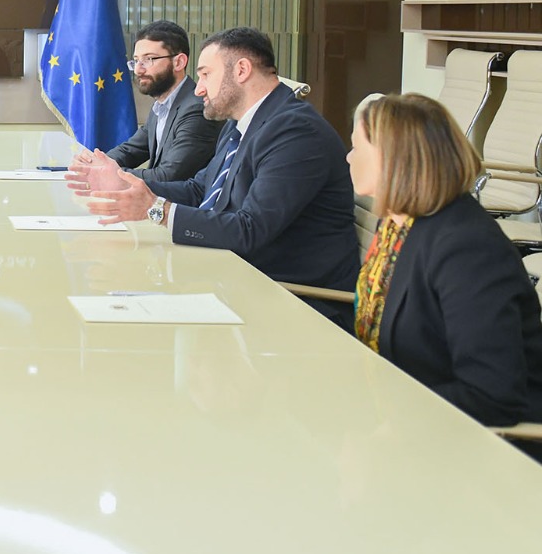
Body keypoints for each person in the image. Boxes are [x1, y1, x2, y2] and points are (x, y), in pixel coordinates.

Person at [74, 27, 358, 326]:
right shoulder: (241, 124)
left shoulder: (295, 132)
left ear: (242, 70)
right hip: (236, 278)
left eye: (206, 75)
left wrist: (156, 210)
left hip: (293, 301)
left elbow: (250, 229)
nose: (198, 89)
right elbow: (200, 190)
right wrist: (129, 186)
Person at [347, 93, 542, 433]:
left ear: (392, 159)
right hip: (402, 415)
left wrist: (394, 423)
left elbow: (490, 395)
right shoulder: (396, 224)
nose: (348, 157)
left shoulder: (466, 247)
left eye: (356, 147)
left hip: (477, 441)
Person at [95, 20, 222, 182]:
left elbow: (169, 175)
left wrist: (109, 173)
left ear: (178, 62)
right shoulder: (161, 105)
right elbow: (130, 151)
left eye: (149, 59)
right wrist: (96, 163)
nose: (138, 70)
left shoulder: (197, 109)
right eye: (136, 61)